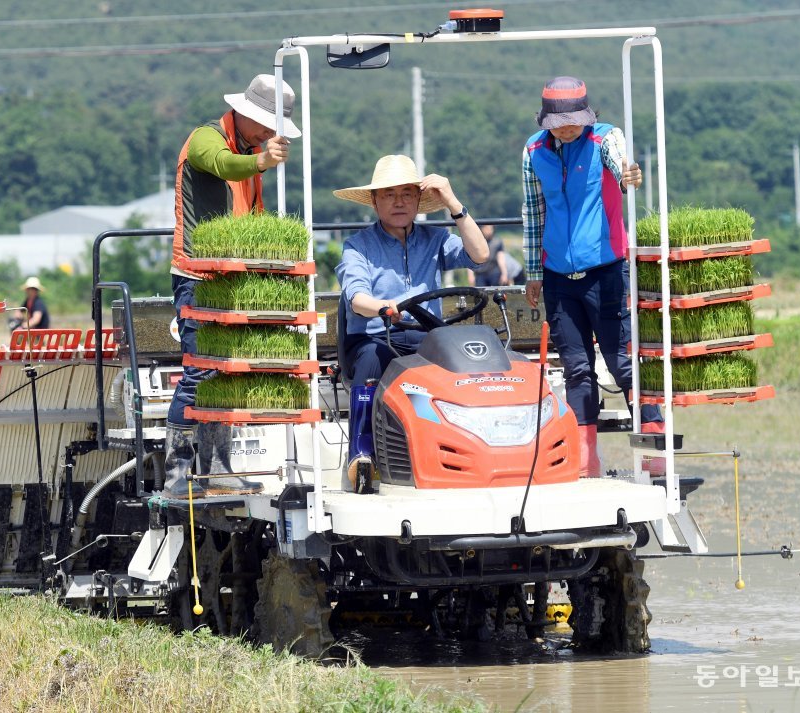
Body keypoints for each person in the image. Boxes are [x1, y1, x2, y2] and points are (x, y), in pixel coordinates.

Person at [521, 76, 663, 478]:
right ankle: (585, 459)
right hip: (557, 277)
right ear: (546, 120)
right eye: (559, 121)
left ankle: (655, 447)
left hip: (606, 269)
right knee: (576, 367)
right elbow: (533, 214)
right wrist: (533, 272)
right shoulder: (533, 151)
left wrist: (627, 174)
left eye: (574, 119)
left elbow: (620, 163)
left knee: (621, 361)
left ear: (587, 116)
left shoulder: (604, 139)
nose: (567, 127)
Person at [164, 73, 299, 498]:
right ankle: (176, 474)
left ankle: (218, 468)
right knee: (199, 373)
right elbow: (223, 165)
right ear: (240, 112)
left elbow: (252, 216)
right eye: (263, 124)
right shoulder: (206, 139)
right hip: (198, 278)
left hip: (236, 281)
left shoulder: (252, 151)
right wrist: (260, 162)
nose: (267, 134)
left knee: (225, 375)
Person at [335, 154, 489, 387]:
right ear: (374, 201)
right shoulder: (358, 246)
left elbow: (480, 255)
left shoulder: (436, 238)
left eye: (407, 194)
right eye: (389, 194)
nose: (399, 202)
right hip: (376, 337)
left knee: (470, 369)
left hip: (428, 337)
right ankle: (363, 424)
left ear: (418, 200)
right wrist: (383, 307)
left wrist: (454, 204)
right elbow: (357, 299)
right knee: (371, 362)